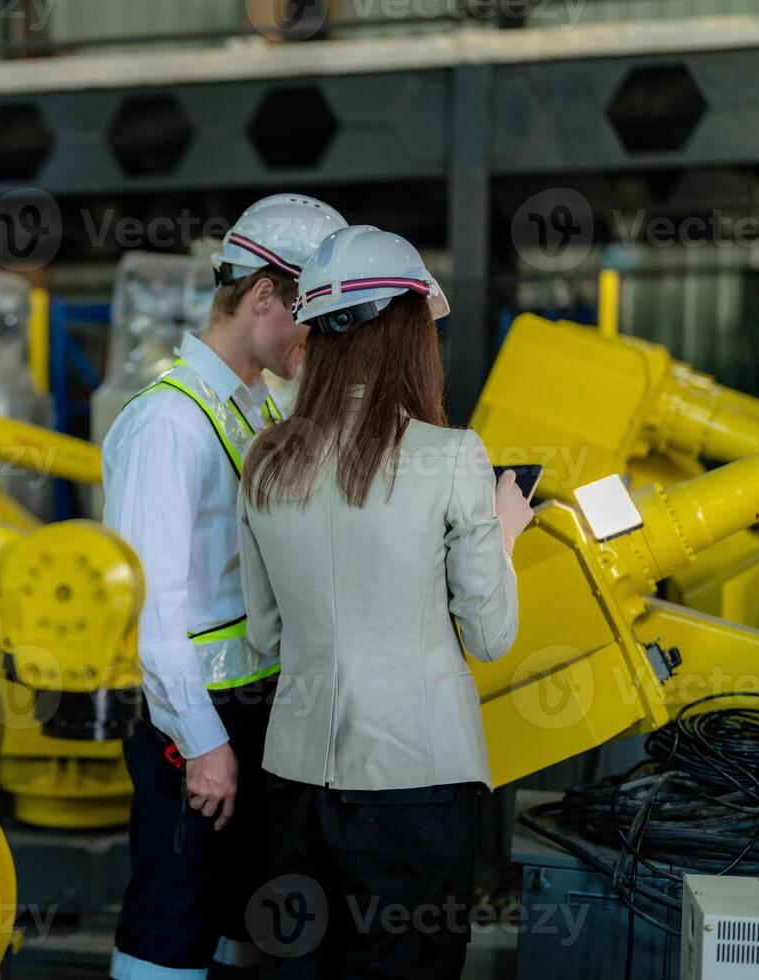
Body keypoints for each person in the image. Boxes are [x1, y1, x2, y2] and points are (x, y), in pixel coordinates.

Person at [236, 225, 534, 979]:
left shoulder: (265, 459)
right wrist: (503, 531)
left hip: (295, 781)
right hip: (415, 786)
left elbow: (267, 634)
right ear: (409, 332)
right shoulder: (451, 456)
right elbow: (490, 633)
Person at [103, 194, 348, 979]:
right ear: (265, 296)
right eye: (310, 313)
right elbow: (150, 610)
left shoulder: (252, 408)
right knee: (170, 922)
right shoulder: (167, 424)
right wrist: (203, 744)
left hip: (252, 712)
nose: (317, 335)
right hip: (194, 725)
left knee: (239, 920)